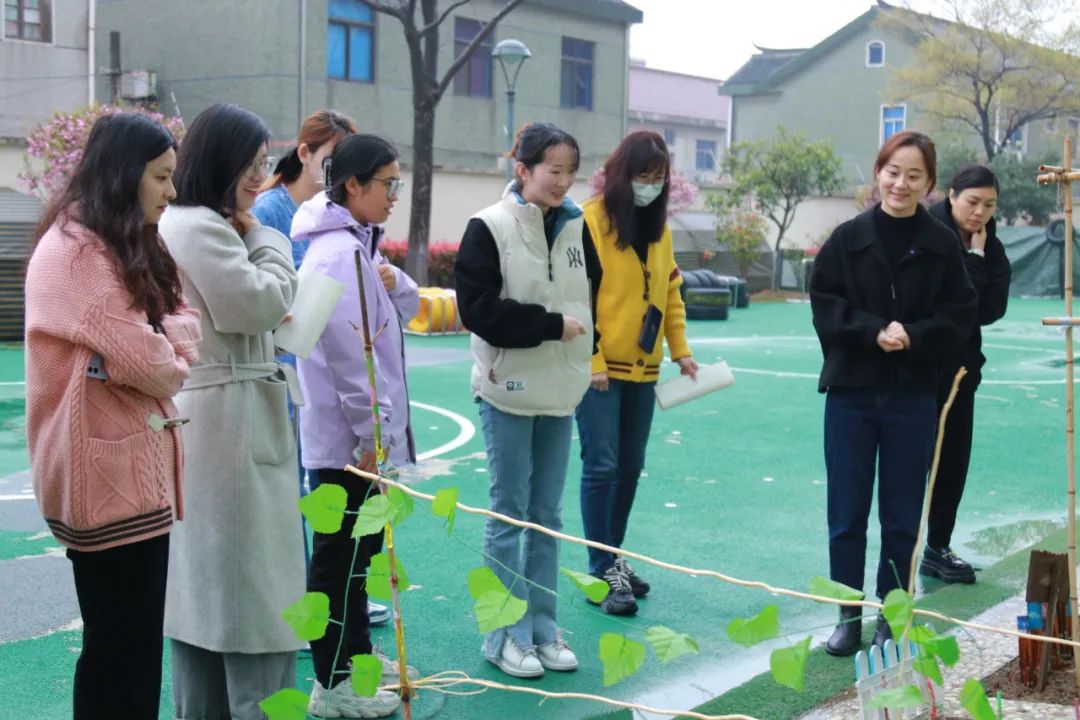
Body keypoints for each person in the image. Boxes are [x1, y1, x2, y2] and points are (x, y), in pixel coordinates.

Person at [25, 112, 201, 719]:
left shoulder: (120, 240)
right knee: (120, 652)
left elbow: (181, 323)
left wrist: (161, 338)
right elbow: (153, 365)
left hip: (129, 477)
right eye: (160, 177)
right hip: (104, 483)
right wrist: (164, 345)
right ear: (124, 174)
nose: (171, 191)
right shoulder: (78, 253)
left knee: (129, 649)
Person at [159, 103, 304, 719]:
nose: (259, 177)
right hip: (231, 417)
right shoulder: (204, 226)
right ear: (219, 161)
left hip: (215, 410)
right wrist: (268, 237)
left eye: (263, 163)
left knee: (206, 597)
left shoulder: (184, 222)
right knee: (254, 594)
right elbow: (257, 305)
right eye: (250, 163)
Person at [809, 130, 977, 657]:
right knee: (846, 512)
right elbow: (825, 301)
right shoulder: (848, 237)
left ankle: (892, 614)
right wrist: (871, 331)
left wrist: (915, 334)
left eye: (913, 176)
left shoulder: (940, 244)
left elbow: (959, 314)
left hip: (912, 396)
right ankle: (847, 614)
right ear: (879, 172)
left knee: (902, 516)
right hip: (852, 393)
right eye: (893, 172)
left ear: (930, 184)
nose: (900, 184)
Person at [454, 122, 601, 679]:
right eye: (553, 170)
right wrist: (550, 326)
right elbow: (479, 311)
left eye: (570, 172)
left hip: (561, 391)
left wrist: (588, 352)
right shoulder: (488, 227)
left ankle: (543, 629)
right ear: (523, 169)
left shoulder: (577, 225)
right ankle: (504, 637)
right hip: (508, 391)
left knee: (547, 517)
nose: (563, 181)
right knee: (509, 514)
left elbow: (592, 294)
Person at [291, 133, 419, 718]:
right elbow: (351, 357)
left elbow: (397, 314)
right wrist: (373, 436)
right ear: (353, 185)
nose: (394, 195)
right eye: (388, 183)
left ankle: (354, 661)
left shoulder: (354, 246)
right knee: (338, 562)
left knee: (356, 557)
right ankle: (332, 682)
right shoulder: (339, 253)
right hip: (348, 444)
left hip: (353, 440)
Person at [251, 110, 394, 626]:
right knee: (305, 505)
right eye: (334, 157)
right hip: (287, 372)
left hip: (317, 382)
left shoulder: (351, 229)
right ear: (305, 154)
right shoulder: (282, 216)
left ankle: (335, 616)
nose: (341, 167)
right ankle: (312, 616)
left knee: (341, 531)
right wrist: (372, 429)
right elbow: (342, 343)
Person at [577, 130, 697, 616]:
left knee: (629, 467)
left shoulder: (658, 229)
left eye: (658, 177)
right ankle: (600, 568)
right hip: (600, 373)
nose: (650, 186)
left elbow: (670, 294)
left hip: (643, 371)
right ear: (621, 175)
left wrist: (681, 351)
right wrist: (592, 361)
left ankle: (613, 558)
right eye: (642, 176)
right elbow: (578, 298)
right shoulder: (589, 220)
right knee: (601, 466)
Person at [921, 164, 1011, 584]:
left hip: (960, 371)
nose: (980, 213)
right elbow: (953, 303)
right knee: (911, 462)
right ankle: (900, 550)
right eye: (973, 202)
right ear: (952, 195)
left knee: (952, 461)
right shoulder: (925, 234)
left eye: (989, 205)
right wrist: (974, 261)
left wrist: (978, 258)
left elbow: (991, 308)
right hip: (916, 368)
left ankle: (937, 547)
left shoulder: (991, 244)